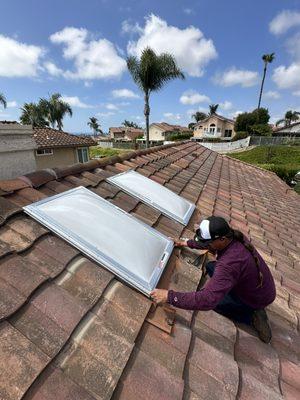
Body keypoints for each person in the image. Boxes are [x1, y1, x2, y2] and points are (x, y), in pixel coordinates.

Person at [150, 216, 276, 343]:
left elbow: (207, 300)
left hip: (257, 297)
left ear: (222, 239)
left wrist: (170, 296)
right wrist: (186, 243)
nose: (206, 246)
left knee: (216, 303)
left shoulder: (229, 264)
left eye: (208, 243)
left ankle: (252, 316)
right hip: (258, 286)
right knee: (210, 266)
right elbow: (208, 243)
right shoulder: (233, 236)